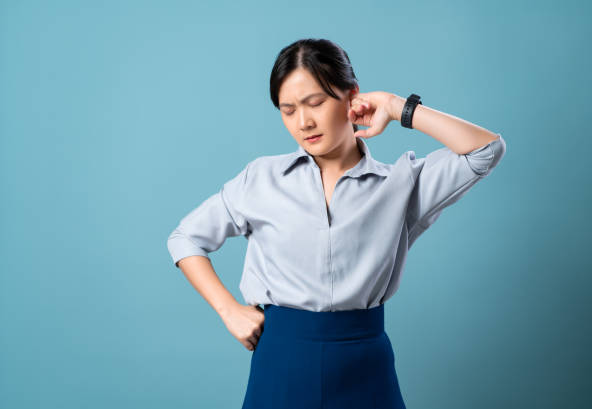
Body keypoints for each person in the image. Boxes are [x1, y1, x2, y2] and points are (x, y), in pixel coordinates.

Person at [166, 38, 506, 409]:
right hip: (280, 361)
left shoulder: (402, 184)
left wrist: (395, 106)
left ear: (352, 96)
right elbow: (186, 238)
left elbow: (486, 149)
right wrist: (228, 310)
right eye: (288, 110)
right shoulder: (261, 179)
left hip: (365, 366)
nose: (304, 122)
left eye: (316, 103)